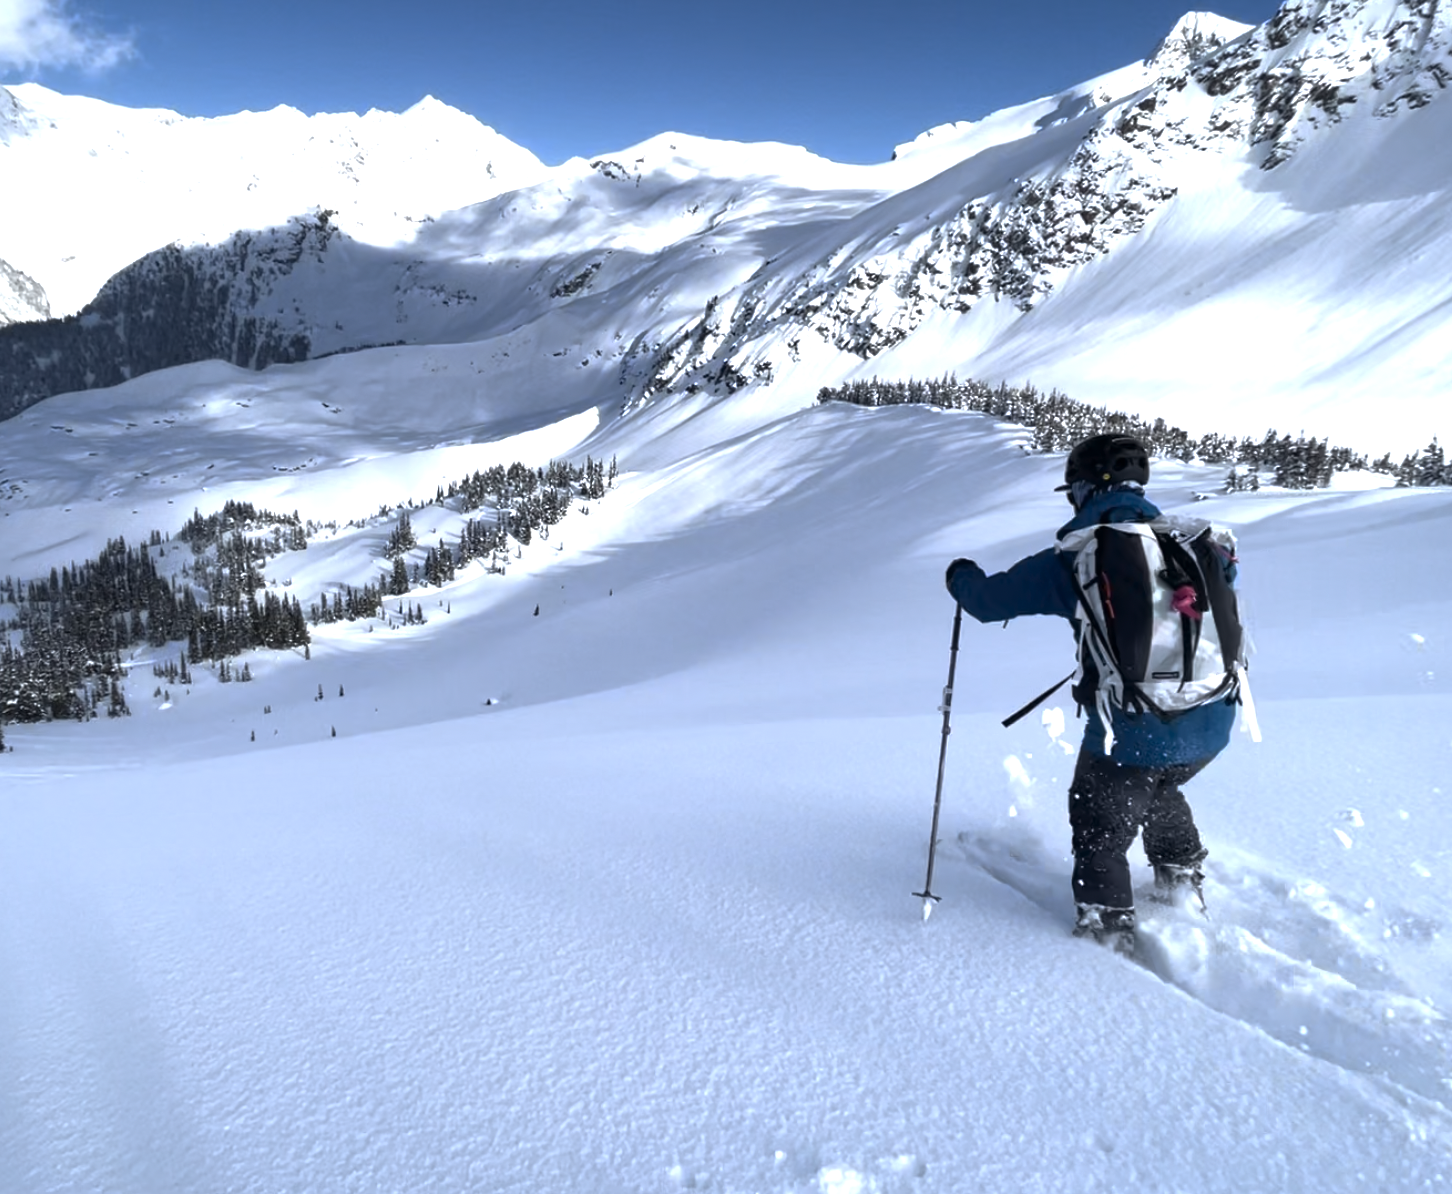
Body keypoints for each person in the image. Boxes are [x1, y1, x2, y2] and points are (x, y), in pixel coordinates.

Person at [944, 433, 1239, 953]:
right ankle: (1181, 876)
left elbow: (989, 603)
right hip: (1213, 718)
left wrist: (960, 576)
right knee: (1159, 784)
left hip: (1133, 725)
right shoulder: (1193, 543)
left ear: (1084, 488)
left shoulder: (1081, 556)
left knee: (1100, 817)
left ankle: (1106, 930)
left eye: (1071, 491)